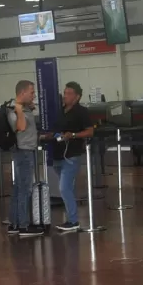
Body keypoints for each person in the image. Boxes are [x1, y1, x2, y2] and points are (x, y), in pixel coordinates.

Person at [44, 81, 95, 234]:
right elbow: (56, 129)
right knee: (67, 188)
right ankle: (71, 218)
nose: (65, 96)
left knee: (64, 187)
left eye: (69, 93)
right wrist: (50, 135)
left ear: (77, 96)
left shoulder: (82, 112)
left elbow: (90, 132)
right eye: (65, 93)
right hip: (58, 154)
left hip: (71, 155)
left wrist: (73, 135)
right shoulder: (61, 111)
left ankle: (73, 221)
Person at [8, 80, 42, 237]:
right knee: (24, 189)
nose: (34, 95)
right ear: (22, 93)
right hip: (23, 152)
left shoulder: (26, 109)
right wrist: (20, 111)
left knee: (18, 188)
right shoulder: (15, 110)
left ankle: (14, 223)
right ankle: (23, 225)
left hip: (27, 151)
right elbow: (20, 127)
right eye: (31, 92)